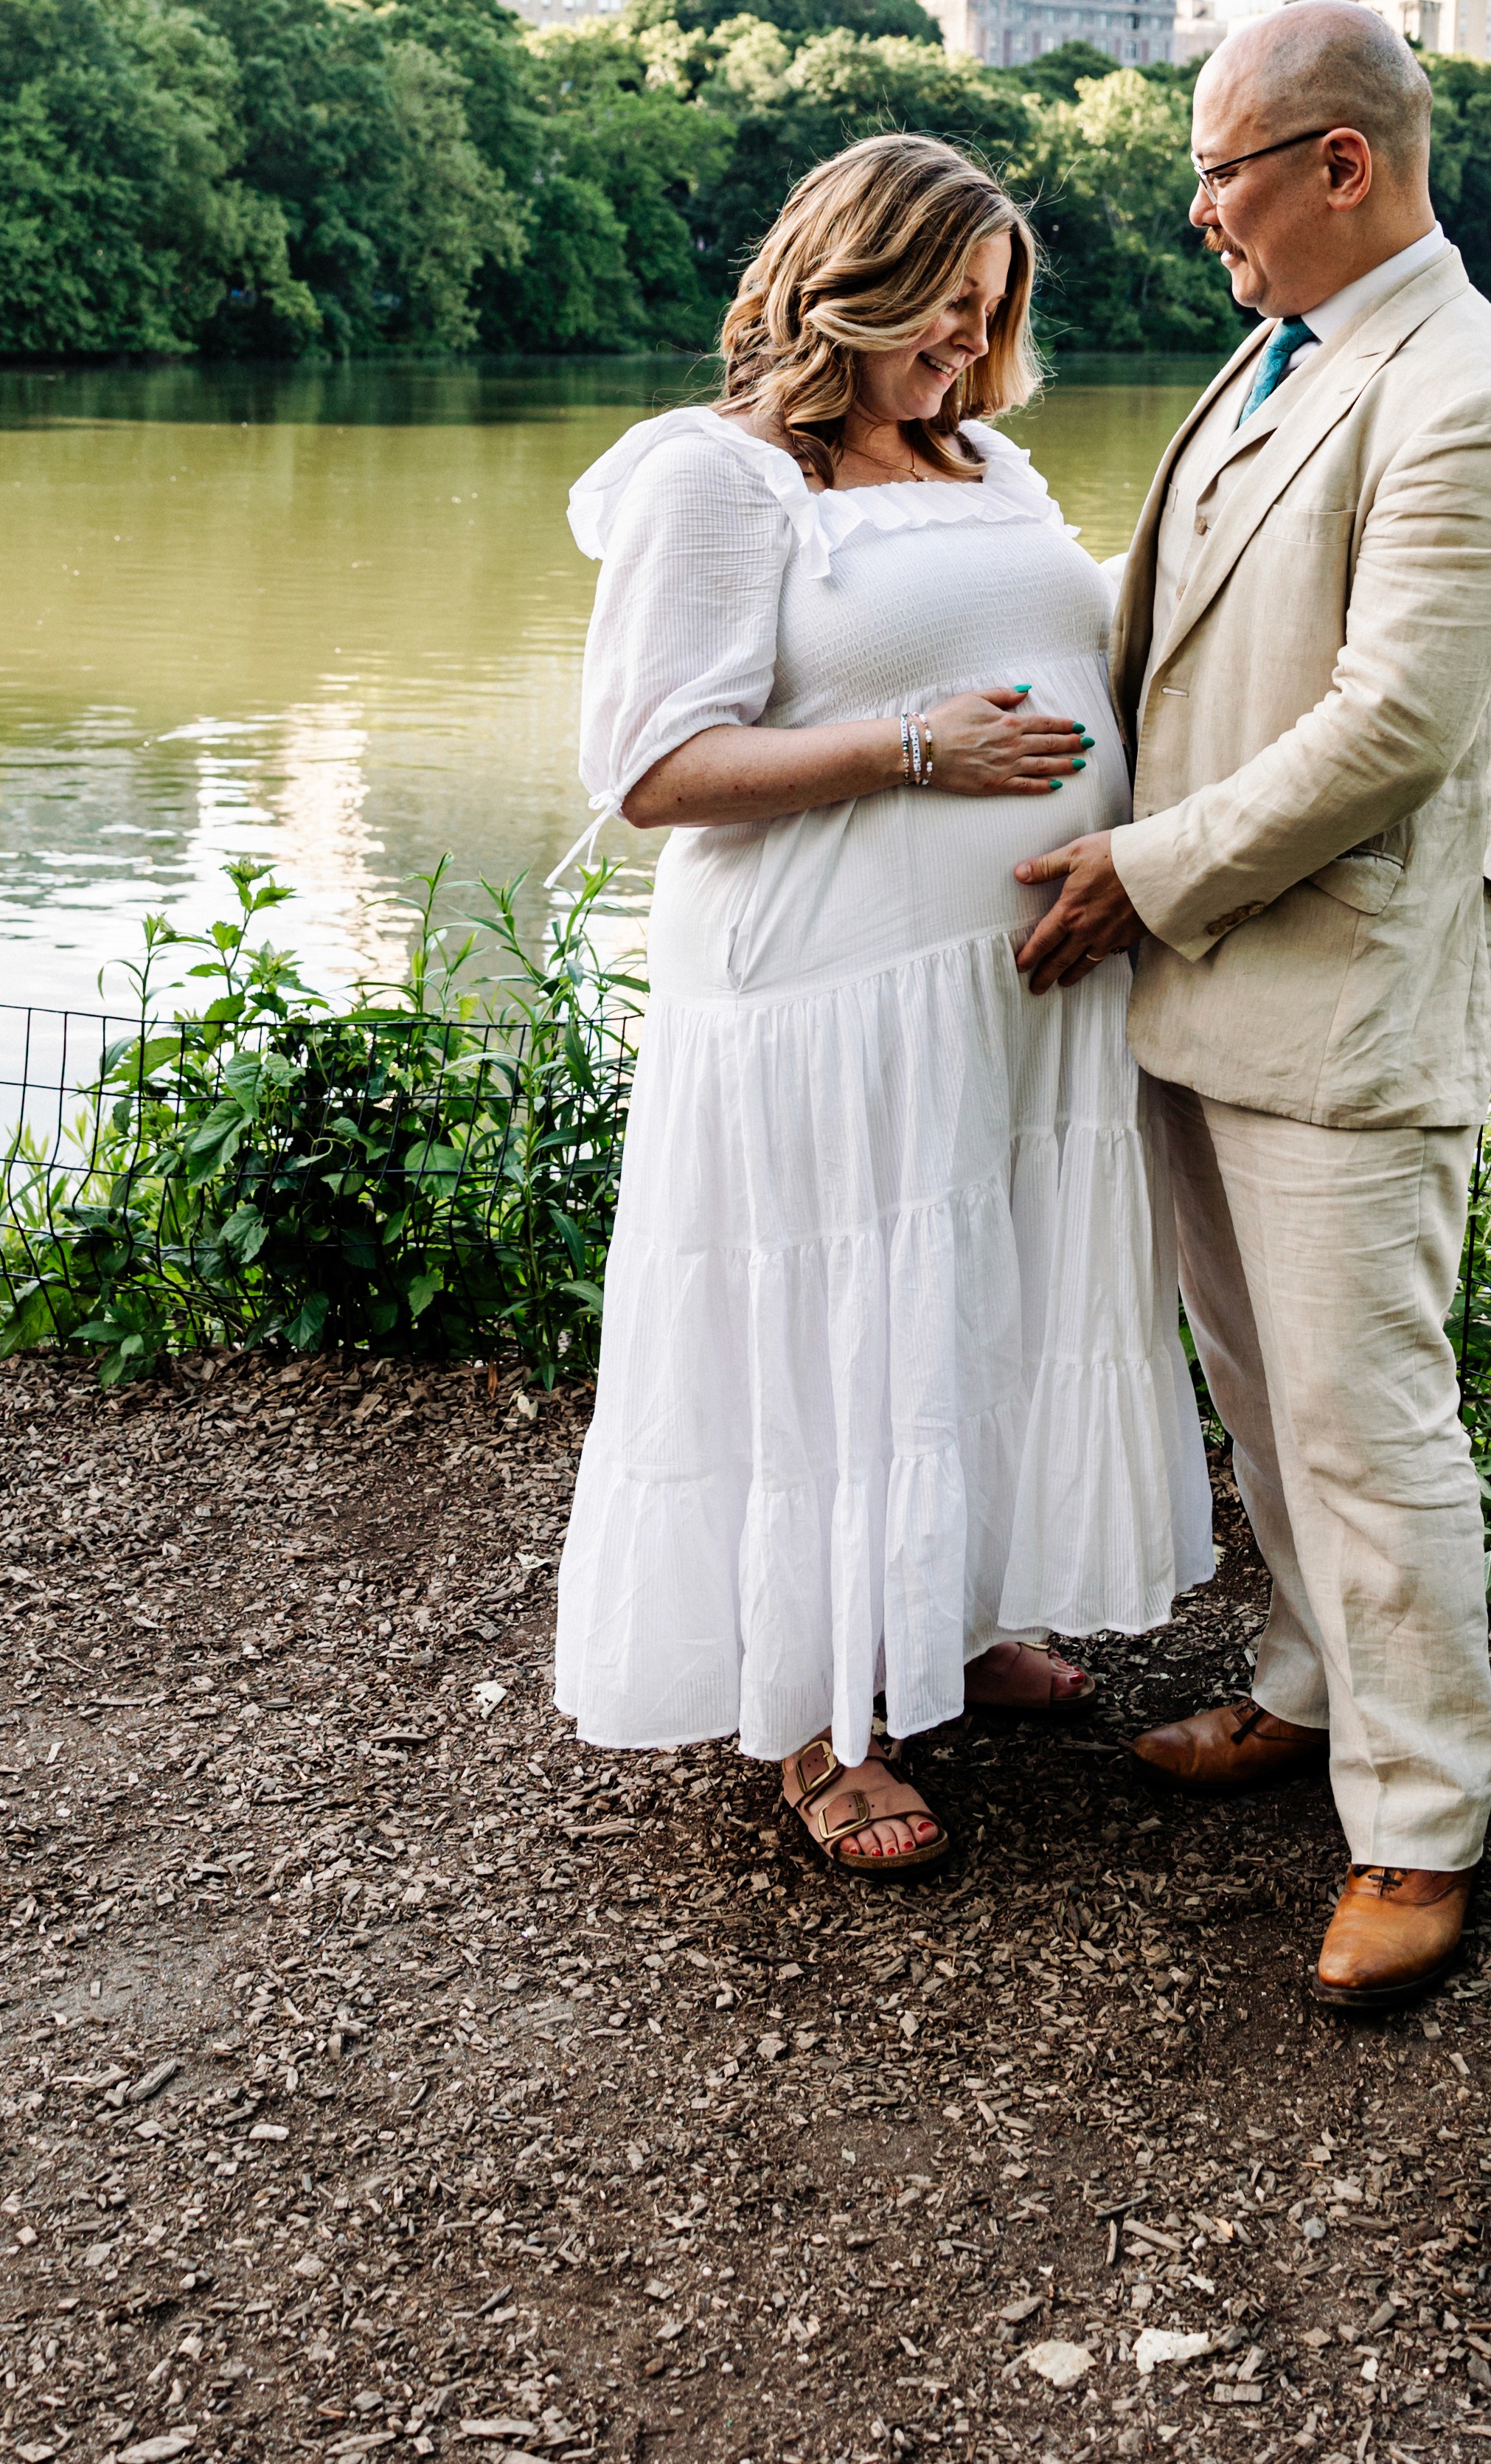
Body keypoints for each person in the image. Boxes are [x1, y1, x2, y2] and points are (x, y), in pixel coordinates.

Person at [550, 132, 1212, 1875]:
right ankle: (822, 1716)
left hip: (1005, 994)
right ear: (852, 281)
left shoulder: (987, 461)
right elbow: (652, 768)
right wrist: (916, 749)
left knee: (970, 1300)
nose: (971, 343)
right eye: (945, 306)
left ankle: (945, 1615)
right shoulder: (717, 478)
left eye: (993, 311)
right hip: (824, 1003)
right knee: (834, 1328)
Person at [1011, 2, 1491, 2009]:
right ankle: (1313, 1681)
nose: (1199, 211)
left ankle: (1422, 1821)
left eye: (1220, 170)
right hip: (1211, 981)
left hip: (1342, 992)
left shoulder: (1469, 395)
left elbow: (1393, 726)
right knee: (1261, 1391)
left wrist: (1142, 870)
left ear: (1343, 164)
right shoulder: (1289, 349)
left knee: (1363, 1422)